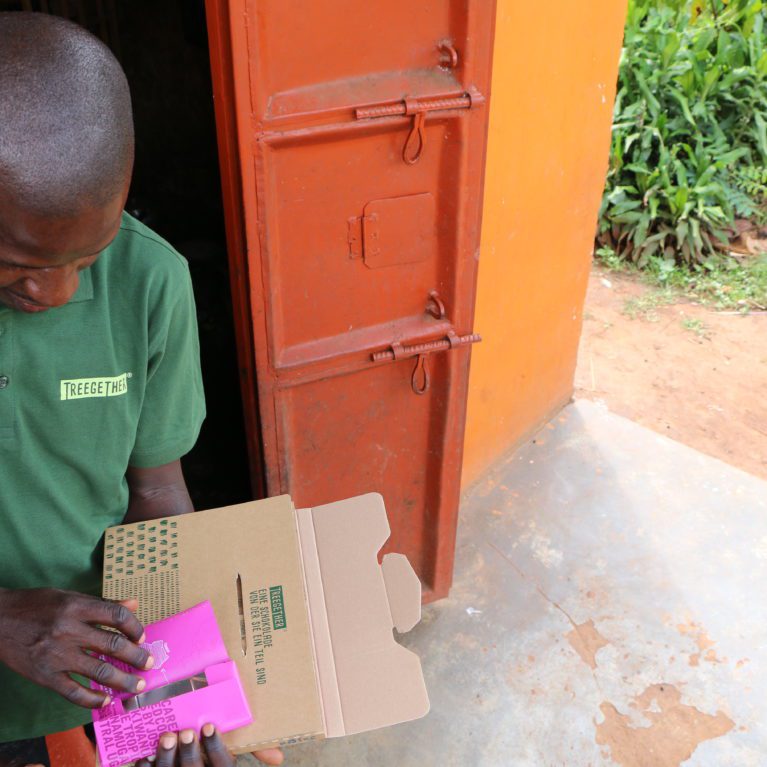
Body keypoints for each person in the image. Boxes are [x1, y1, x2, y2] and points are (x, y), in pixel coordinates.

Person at [0, 13, 282, 767]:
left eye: (87, 255)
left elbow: (157, 495)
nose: (57, 291)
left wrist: (183, 686)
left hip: (80, 689)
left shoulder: (151, 280)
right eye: (19, 260)